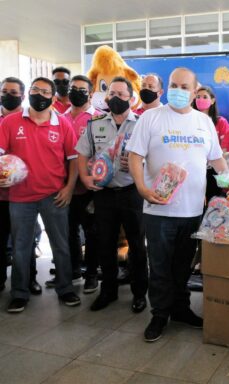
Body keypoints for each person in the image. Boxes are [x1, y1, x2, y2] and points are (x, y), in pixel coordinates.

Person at [127, 67, 228, 342]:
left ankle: (181, 308)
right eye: (174, 85)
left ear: (195, 93)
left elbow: (217, 160)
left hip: (193, 210)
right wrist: (141, 187)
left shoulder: (204, 123)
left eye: (185, 87)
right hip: (158, 208)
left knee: (183, 265)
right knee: (159, 265)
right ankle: (159, 313)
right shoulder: (151, 117)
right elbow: (135, 156)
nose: (178, 91)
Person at [0, 77, 81, 312]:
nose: (40, 95)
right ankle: (19, 293)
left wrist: (68, 188)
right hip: (20, 197)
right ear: (28, 94)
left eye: (45, 92)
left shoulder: (62, 124)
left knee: (61, 245)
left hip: (54, 195)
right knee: (21, 247)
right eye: (35, 89)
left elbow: (74, 160)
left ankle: (65, 289)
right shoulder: (10, 122)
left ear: (53, 98)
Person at [76, 76, 148, 313]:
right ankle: (108, 291)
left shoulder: (142, 124)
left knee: (137, 245)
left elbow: (154, 157)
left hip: (132, 191)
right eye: (112, 94)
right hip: (103, 193)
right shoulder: (95, 123)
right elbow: (83, 154)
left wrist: (140, 164)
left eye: (121, 94)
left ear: (131, 98)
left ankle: (139, 293)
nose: (116, 98)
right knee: (104, 243)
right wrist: (85, 178)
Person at [45, 75, 101, 293]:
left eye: (81, 89)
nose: (76, 92)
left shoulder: (98, 118)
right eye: (73, 88)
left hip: (89, 188)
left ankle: (92, 275)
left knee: (93, 232)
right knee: (67, 231)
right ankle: (72, 270)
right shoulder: (59, 118)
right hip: (65, 186)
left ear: (91, 93)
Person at [0, 77, 42, 295]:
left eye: (14, 92)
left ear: (23, 96)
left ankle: (29, 280)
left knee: (24, 242)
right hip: (0, 195)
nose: (9, 95)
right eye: (5, 91)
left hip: (23, 194)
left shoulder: (29, 119)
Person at [193, 86, 229, 201]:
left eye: (205, 97)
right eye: (198, 97)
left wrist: (225, 175)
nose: (201, 99)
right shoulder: (190, 120)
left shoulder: (221, 122)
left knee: (214, 202)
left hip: (214, 170)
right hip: (195, 169)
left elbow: (223, 151)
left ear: (213, 100)